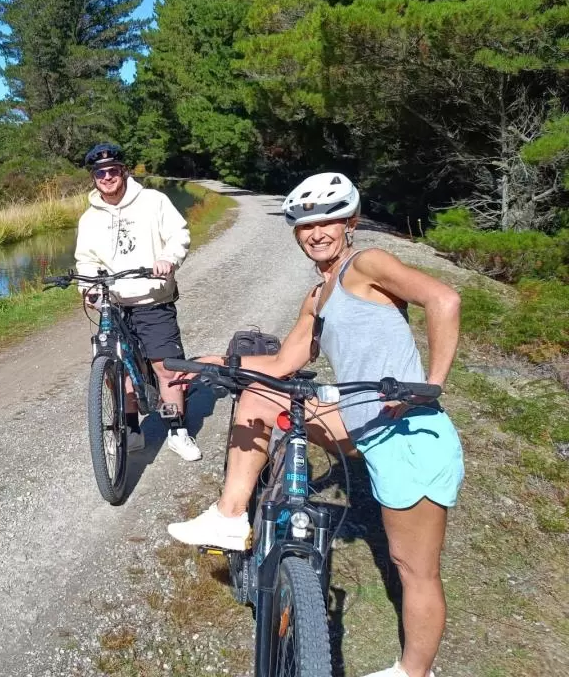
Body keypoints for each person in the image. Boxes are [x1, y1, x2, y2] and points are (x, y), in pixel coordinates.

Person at [167, 173, 464, 677]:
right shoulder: (318, 295)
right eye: (304, 224)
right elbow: (282, 363)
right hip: (355, 423)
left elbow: (444, 300)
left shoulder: (366, 264)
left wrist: (430, 384)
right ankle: (231, 514)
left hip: (408, 432)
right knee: (260, 396)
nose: (316, 231)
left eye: (327, 219)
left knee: (414, 569)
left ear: (350, 222)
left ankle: (415, 672)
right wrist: (211, 362)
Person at [74, 143, 201, 461]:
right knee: (116, 371)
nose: (107, 177)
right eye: (100, 173)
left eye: (113, 170)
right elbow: (85, 260)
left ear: (123, 171)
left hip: (151, 297)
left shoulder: (153, 201)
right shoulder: (89, 219)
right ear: (94, 178)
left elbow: (178, 234)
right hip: (113, 302)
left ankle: (177, 431)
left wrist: (168, 258)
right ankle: (131, 430)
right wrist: (87, 286)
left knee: (165, 367)